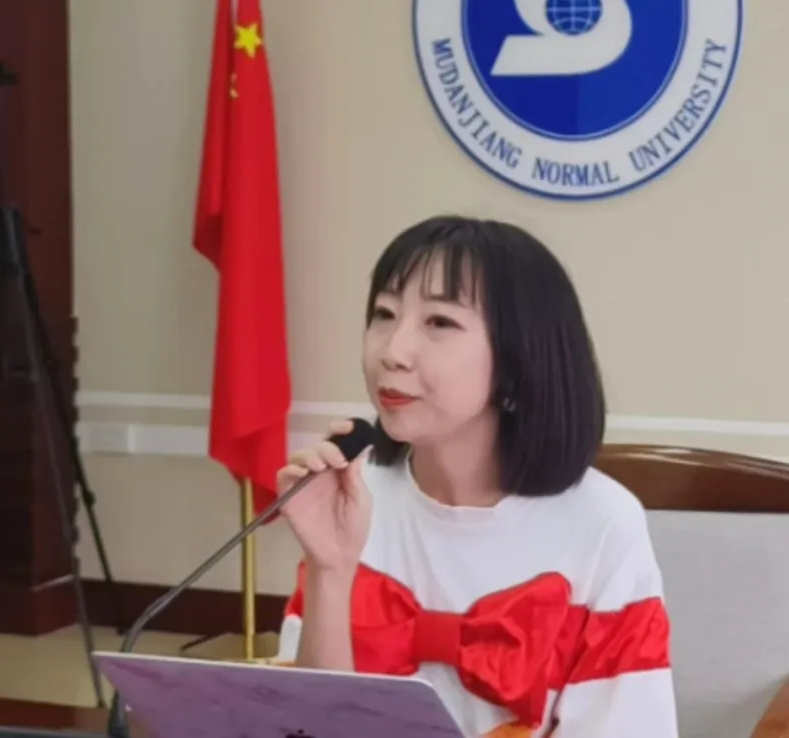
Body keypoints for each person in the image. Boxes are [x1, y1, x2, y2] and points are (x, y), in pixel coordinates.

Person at [274, 215, 678, 738]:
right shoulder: (353, 493)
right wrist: (330, 568)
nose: (392, 353)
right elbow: (306, 727)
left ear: (518, 358)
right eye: (384, 314)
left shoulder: (603, 522)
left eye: (439, 322)